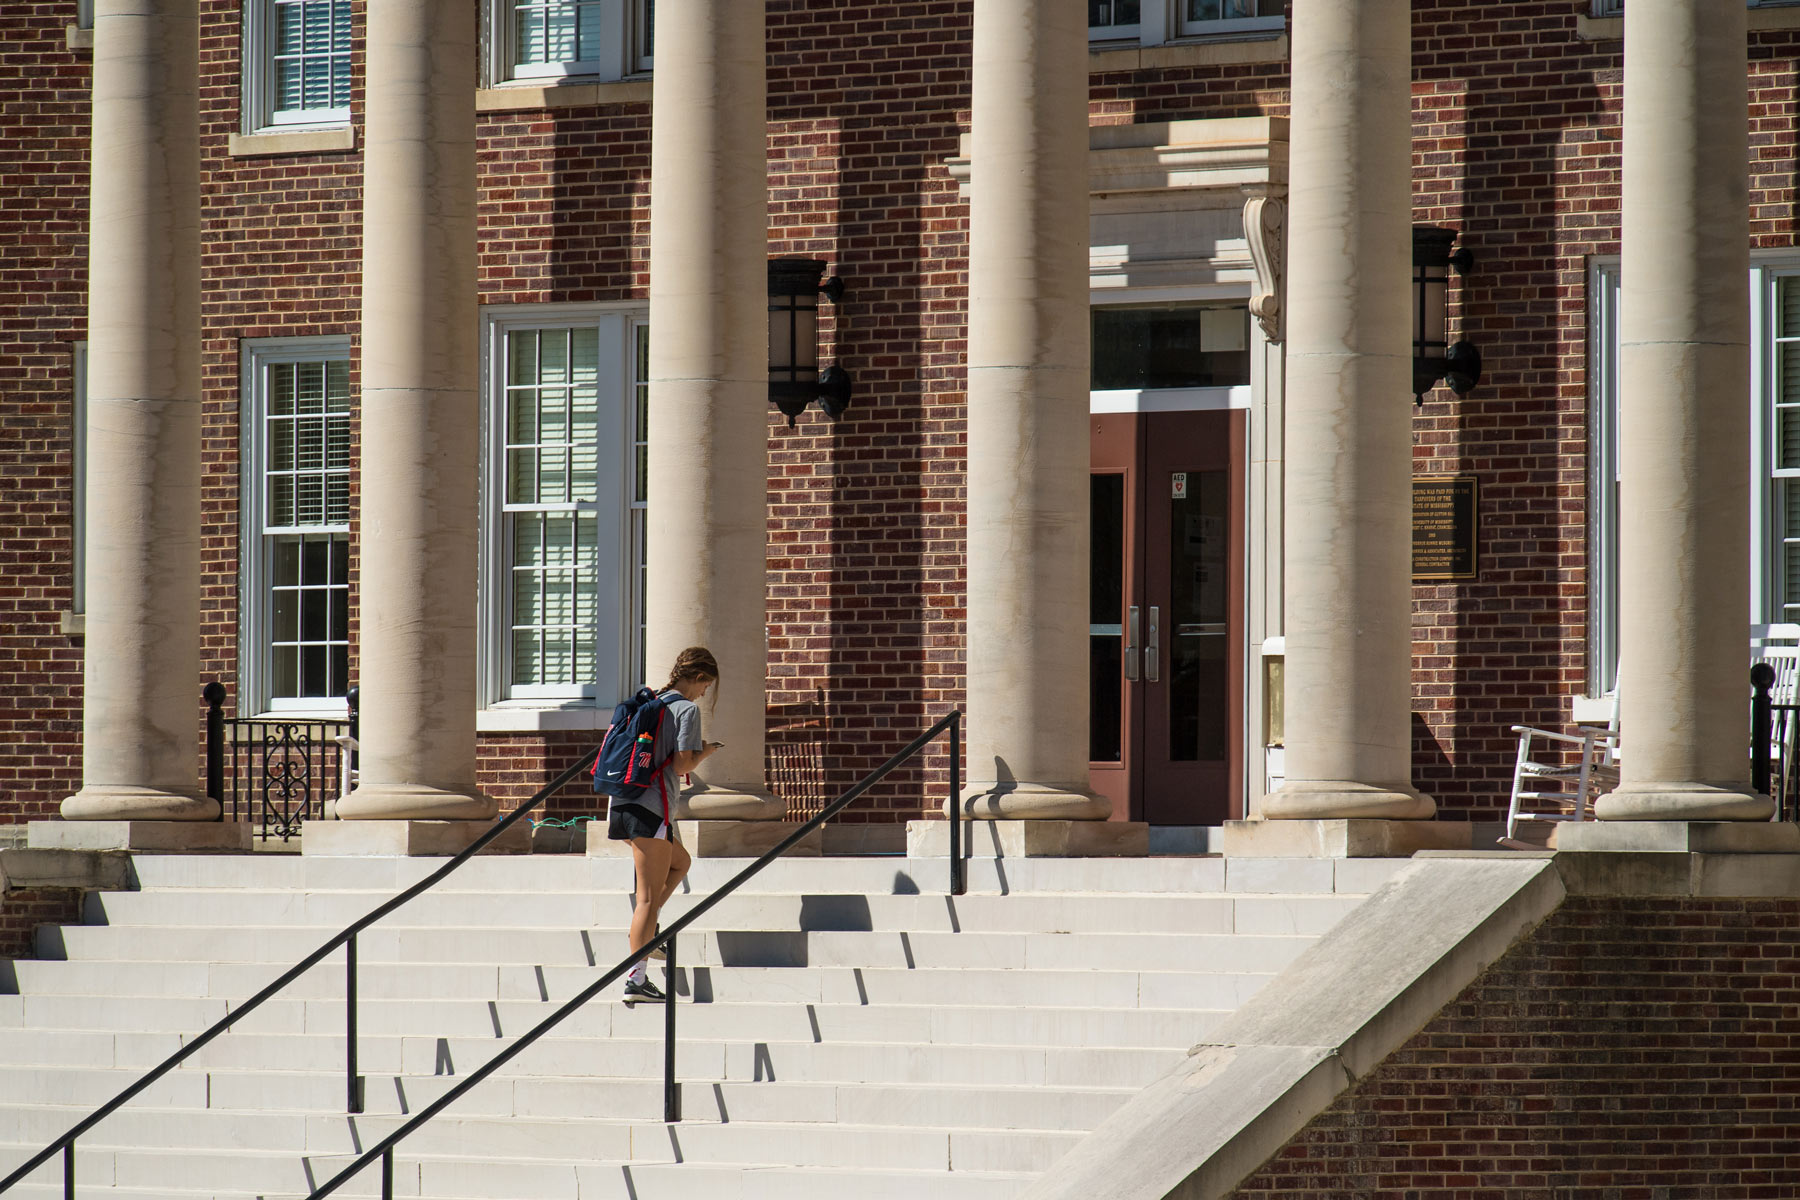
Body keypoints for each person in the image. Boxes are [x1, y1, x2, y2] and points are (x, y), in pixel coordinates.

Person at [609, 646, 722, 1004]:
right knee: (646, 897)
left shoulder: (651, 700)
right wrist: (706, 752)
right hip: (652, 808)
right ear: (699, 678)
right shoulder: (686, 709)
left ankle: (650, 932)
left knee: (680, 862)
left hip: (622, 800)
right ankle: (636, 978)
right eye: (706, 686)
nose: (704, 693)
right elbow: (681, 765)